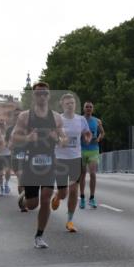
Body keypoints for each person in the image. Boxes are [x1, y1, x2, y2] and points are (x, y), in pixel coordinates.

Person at [12, 82, 66, 248]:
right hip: (30, 162)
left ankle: (39, 236)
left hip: (49, 162)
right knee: (32, 204)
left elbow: (64, 140)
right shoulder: (25, 117)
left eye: (44, 93)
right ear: (34, 96)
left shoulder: (56, 117)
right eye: (38, 93)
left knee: (45, 198)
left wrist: (57, 138)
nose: (41, 96)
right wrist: (28, 138)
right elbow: (14, 137)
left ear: (48, 96)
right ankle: (24, 197)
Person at [50, 93, 91, 232]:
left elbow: (87, 132)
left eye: (72, 103)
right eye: (67, 103)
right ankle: (57, 196)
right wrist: (58, 141)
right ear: (62, 104)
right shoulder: (57, 120)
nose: (70, 105)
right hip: (60, 159)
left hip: (75, 158)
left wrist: (87, 137)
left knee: (74, 190)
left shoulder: (80, 120)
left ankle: (70, 221)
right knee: (63, 193)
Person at [77, 101, 104, 209]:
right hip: (82, 149)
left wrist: (98, 138)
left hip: (93, 149)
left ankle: (92, 198)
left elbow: (102, 132)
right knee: (82, 174)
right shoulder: (79, 120)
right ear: (84, 109)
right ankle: (82, 197)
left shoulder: (97, 121)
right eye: (86, 107)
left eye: (90, 107)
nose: (88, 108)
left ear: (93, 109)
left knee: (92, 173)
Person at [0, 119, 13, 195]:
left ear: (5, 124)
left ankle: (6, 184)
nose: (1, 125)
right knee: (0, 173)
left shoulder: (8, 132)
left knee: (8, 171)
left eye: (3, 123)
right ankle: (2, 187)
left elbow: (12, 141)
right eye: (0, 124)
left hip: (8, 155)